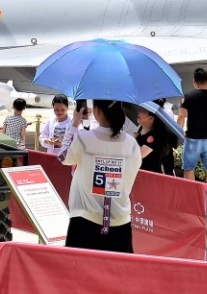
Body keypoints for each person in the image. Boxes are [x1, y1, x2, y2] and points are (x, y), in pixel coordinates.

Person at [62, 100, 145, 253]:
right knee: (117, 274)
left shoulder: (84, 139)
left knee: (79, 274)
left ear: (97, 111)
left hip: (85, 221)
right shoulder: (131, 144)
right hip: (120, 222)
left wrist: (75, 124)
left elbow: (63, 157)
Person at [177, 69, 207, 184]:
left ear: (194, 82)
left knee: (189, 169)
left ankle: (192, 197)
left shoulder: (188, 96)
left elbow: (181, 116)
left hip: (192, 138)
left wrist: (179, 132)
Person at [135, 107, 175, 176]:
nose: (139, 112)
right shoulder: (140, 129)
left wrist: (133, 140)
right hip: (139, 173)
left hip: (152, 176)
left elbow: (139, 155)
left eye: (143, 111)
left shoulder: (155, 136)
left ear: (151, 118)